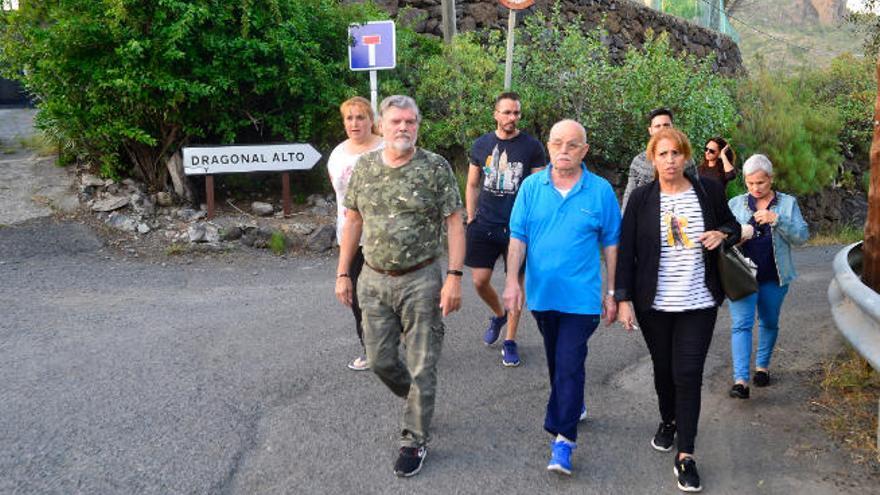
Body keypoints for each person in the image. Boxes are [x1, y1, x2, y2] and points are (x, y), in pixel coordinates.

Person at [334, 95, 465, 478]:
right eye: (396, 121)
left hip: (421, 279)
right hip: (372, 279)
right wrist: (343, 273)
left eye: (410, 121)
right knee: (380, 360)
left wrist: (454, 277)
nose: (404, 127)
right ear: (382, 126)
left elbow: (454, 222)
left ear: (418, 126)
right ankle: (418, 401)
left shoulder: (435, 167)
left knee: (423, 364)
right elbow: (353, 220)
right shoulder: (365, 167)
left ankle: (414, 440)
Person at [615, 128, 740, 492]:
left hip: (698, 301)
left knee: (688, 373)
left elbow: (732, 225)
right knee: (664, 370)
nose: (670, 160)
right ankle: (668, 419)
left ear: (686, 156)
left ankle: (686, 453)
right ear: (652, 159)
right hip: (654, 304)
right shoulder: (641, 199)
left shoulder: (708, 191)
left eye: (676, 153)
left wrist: (722, 234)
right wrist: (623, 299)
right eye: (663, 154)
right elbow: (626, 251)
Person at [502, 119, 620, 476]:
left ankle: (563, 440)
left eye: (572, 145)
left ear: (585, 150)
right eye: (557, 143)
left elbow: (611, 244)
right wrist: (512, 282)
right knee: (558, 360)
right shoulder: (531, 187)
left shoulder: (600, 191)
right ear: (548, 146)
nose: (563, 151)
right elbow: (518, 238)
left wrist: (612, 292)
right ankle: (573, 402)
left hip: (582, 299)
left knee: (569, 361)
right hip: (542, 296)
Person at [466, 92, 546, 367]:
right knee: (479, 281)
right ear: (496, 114)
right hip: (485, 223)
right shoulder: (482, 144)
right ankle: (499, 314)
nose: (512, 117)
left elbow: (538, 190)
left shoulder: (532, 147)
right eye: (507, 112)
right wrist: (471, 217)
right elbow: (472, 184)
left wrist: (533, 224)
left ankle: (510, 340)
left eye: (516, 113)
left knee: (516, 286)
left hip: (518, 228)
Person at [727, 154, 809, 399]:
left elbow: (802, 237)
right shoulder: (735, 204)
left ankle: (762, 367)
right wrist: (737, 237)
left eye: (760, 182)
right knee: (741, 325)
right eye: (750, 183)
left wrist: (777, 220)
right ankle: (740, 381)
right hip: (741, 276)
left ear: (771, 179)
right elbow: (723, 237)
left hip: (775, 276)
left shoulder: (788, 204)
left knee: (769, 321)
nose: (755, 188)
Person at [327, 96, 384, 371]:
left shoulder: (386, 148)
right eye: (349, 118)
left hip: (385, 237)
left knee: (392, 295)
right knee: (358, 299)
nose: (354, 123)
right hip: (351, 237)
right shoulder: (337, 154)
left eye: (360, 117)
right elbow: (340, 196)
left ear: (371, 120)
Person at [621, 107, 696, 212]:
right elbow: (629, 196)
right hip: (645, 216)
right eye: (658, 126)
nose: (662, 129)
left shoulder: (685, 160)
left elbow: (696, 191)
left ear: (673, 127)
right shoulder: (638, 162)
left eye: (666, 125)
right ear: (650, 130)